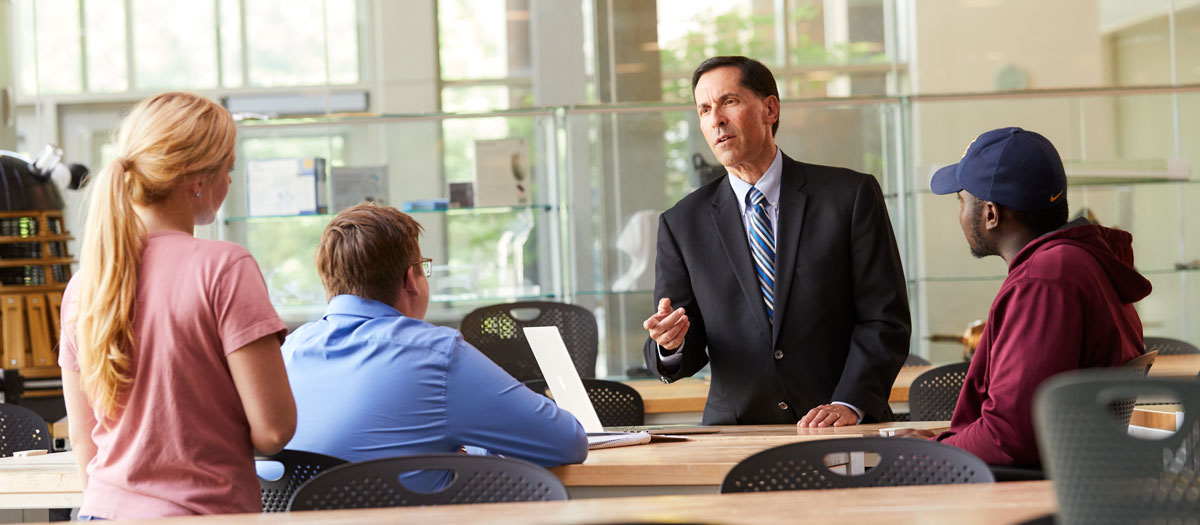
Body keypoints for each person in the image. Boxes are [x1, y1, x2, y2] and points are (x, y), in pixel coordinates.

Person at [60, 92, 297, 518]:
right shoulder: (225, 267)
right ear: (197, 181)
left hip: (102, 512)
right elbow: (273, 430)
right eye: (229, 168)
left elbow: (84, 438)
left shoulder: (84, 285)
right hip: (203, 514)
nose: (229, 181)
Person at [642, 56, 911, 426]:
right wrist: (669, 344)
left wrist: (849, 403)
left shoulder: (849, 196)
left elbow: (885, 319)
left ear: (770, 108)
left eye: (729, 102)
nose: (715, 119)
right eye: (704, 109)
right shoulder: (681, 223)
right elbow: (685, 347)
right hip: (736, 434)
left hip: (842, 425)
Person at [895, 127, 1150, 467]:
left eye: (961, 200)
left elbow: (1010, 439)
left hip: (1024, 494)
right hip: (1070, 478)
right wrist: (949, 440)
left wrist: (935, 451)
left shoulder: (1043, 281)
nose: (959, 212)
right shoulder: (1082, 262)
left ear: (990, 214)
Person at [280, 204, 587, 473]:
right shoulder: (436, 354)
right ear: (409, 279)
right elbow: (568, 441)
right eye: (423, 267)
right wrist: (479, 439)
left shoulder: (286, 353)